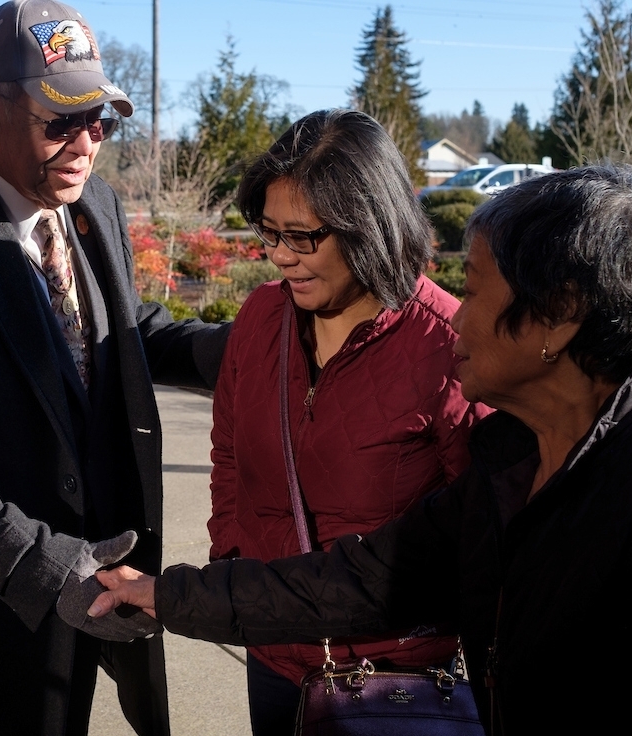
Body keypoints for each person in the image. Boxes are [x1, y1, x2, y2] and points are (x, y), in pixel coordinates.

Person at [89, 163, 632, 734]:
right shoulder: (512, 462)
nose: (457, 319)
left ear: (559, 314)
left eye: (472, 291)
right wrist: (169, 593)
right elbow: (359, 580)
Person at [0, 2, 229, 734]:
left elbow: (118, 331)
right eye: (61, 121)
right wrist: (43, 567)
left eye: (101, 120)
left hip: (102, 582)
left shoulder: (96, 205)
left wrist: (241, 350)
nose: (87, 143)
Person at [207, 109, 491, 733]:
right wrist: (231, 554)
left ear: (370, 226)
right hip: (273, 649)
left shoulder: (448, 342)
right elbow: (228, 450)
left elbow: (481, 523)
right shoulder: (261, 316)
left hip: (395, 677)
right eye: (269, 233)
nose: (282, 256)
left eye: (303, 236)